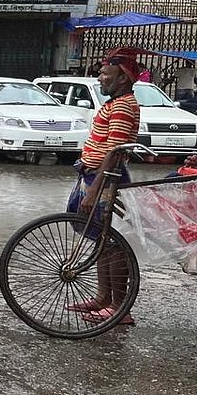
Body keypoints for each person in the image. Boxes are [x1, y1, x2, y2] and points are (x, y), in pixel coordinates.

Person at [65, 49, 142, 325]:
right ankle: (103, 298)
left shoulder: (122, 106)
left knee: (113, 242)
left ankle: (120, 308)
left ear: (122, 78)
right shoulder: (115, 103)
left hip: (107, 178)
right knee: (103, 239)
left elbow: (115, 150)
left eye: (105, 73)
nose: (100, 76)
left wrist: (95, 189)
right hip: (96, 174)